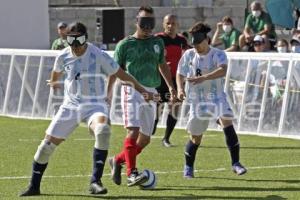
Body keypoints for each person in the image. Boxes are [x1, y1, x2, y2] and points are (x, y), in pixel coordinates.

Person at [20, 22, 157, 196]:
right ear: (67, 40)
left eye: (80, 41)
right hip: (70, 106)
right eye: (72, 41)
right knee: (45, 148)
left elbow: (123, 74)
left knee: (103, 130)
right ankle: (34, 186)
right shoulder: (63, 56)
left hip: (95, 106)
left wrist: (144, 91)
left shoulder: (98, 55)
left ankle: (95, 182)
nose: (76, 47)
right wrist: (54, 81)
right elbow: (56, 72)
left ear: (86, 39)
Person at [107, 6, 176, 187]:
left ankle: (117, 160)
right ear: (136, 22)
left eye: (150, 22)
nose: (147, 26)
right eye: (144, 22)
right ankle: (132, 173)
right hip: (131, 90)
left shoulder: (158, 42)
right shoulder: (124, 44)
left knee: (145, 139)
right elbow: (114, 70)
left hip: (152, 91)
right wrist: (108, 93)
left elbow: (162, 65)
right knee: (133, 130)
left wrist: (171, 86)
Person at [176, 22, 247, 178]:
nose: (196, 47)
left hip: (216, 97)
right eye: (194, 44)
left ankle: (236, 163)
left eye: (199, 43)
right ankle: (188, 167)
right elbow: (180, 72)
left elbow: (222, 70)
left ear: (206, 40)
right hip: (197, 101)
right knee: (195, 138)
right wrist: (180, 89)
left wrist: (204, 78)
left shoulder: (218, 54)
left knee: (227, 121)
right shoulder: (189, 54)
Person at [153, 14, 189, 147]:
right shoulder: (158, 38)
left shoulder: (182, 40)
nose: (170, 26)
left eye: (173, 23)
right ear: (163, 24)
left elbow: (187, 56)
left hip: (177, 79)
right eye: (168, 23)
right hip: (160, 79)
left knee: (175, 107)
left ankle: (166, 138)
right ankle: (152, 127)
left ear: (177, 25)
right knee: (157, 107)